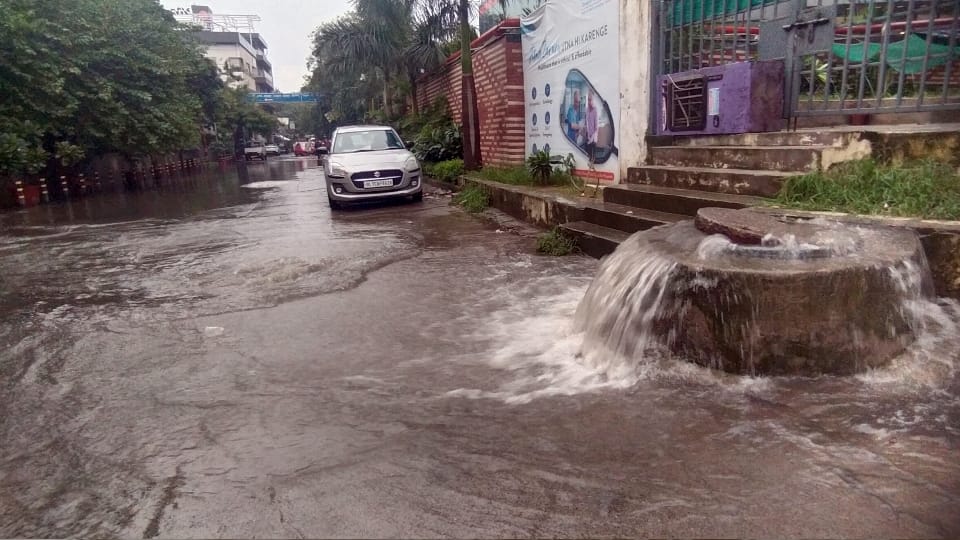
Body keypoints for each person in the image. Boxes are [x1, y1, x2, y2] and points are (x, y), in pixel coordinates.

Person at [585, 92, 598, 167]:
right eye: (588, 100)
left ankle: (592, 161)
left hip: (593, 137)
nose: (589, 101)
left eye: (590, 100)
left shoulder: (595, 110)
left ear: (593, 100)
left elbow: (596, 127)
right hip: (588, 135)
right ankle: (590, 162)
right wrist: (587, 132)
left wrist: (591, 137)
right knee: (588, 154)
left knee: (593, 155)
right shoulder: (587, 110)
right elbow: (587, 121)